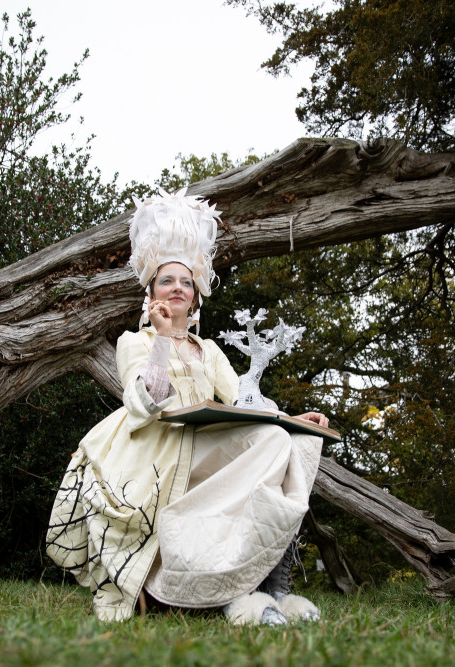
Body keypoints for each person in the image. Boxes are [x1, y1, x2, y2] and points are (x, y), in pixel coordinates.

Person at [46, 190, 328, 624]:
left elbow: (242, 399)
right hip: (154, 450)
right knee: (270, 441)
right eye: (167, 281)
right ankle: (206, 591)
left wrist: (291, 420)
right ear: (152, 292)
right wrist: (161, 337)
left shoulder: (209, 349)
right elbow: (144, 401)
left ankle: (275, 588)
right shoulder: (134, 342)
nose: (177, 287)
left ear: (195, 296)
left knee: (285, 442)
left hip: (202, 441)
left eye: (185, 282)